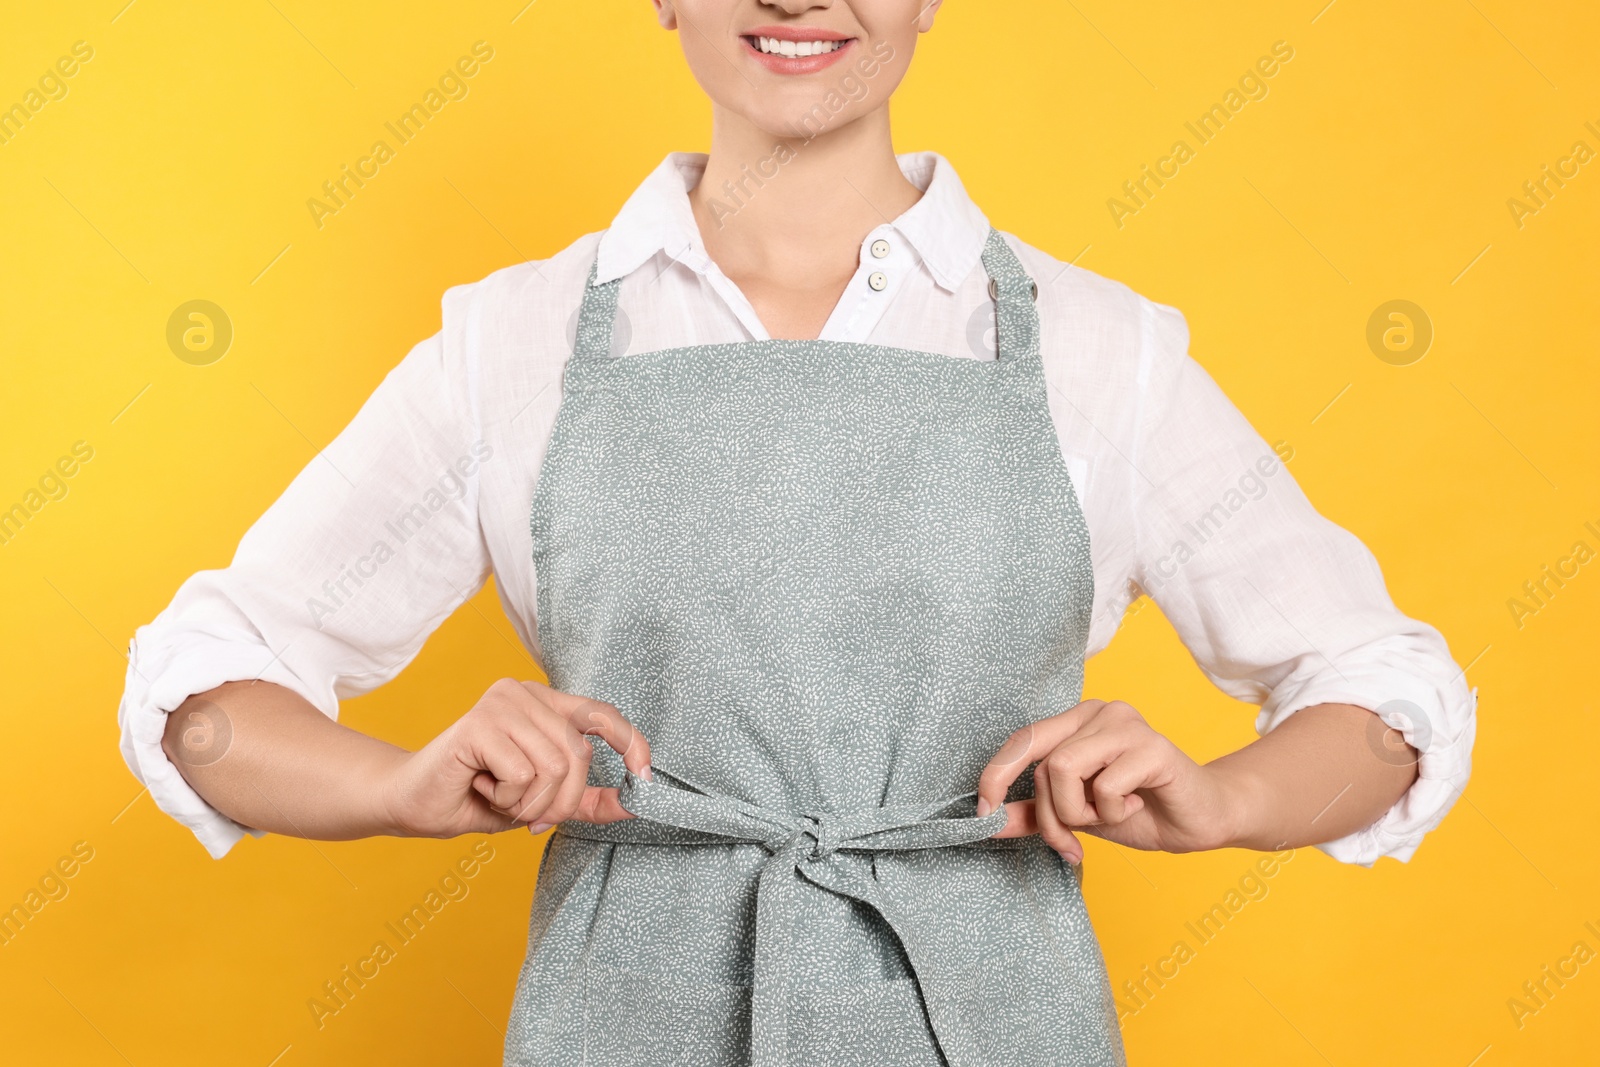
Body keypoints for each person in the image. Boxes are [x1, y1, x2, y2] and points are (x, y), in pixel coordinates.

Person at [117, 2, 1477, 1064]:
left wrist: (1227, 800)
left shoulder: (1098, 353)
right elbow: (203, 700)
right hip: (622, 1028)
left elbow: (1385, 696)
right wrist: (396, 787)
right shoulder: (512, 344)